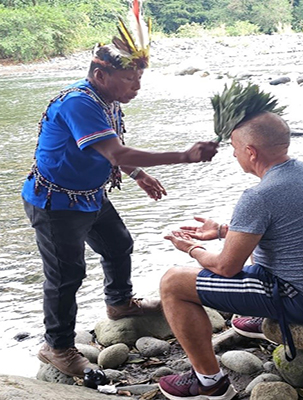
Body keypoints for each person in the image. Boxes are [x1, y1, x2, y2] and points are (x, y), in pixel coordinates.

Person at [21, 5, 219, 377]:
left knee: (118, 245)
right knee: (66, 276)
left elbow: (113, 149)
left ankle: (119, 304)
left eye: (139, 80)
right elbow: (116, 151)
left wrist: (139, 174)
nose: (137, 88)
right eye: (131, 80)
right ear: (100, 74)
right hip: (55, 204)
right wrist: (184, 156)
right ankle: (57, 346)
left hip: (90, 195)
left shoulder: (107, 101)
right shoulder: (79, 102)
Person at [159, 110, 303, 400]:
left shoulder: (259, 196)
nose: (233, 155)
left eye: (233, 148)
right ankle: (264, 315)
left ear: (250, 152)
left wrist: (192, 249)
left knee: (173, 282)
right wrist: (221, 231)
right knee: (262, 245)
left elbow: (225, 267)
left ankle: (209, 383)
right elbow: (284, 227)